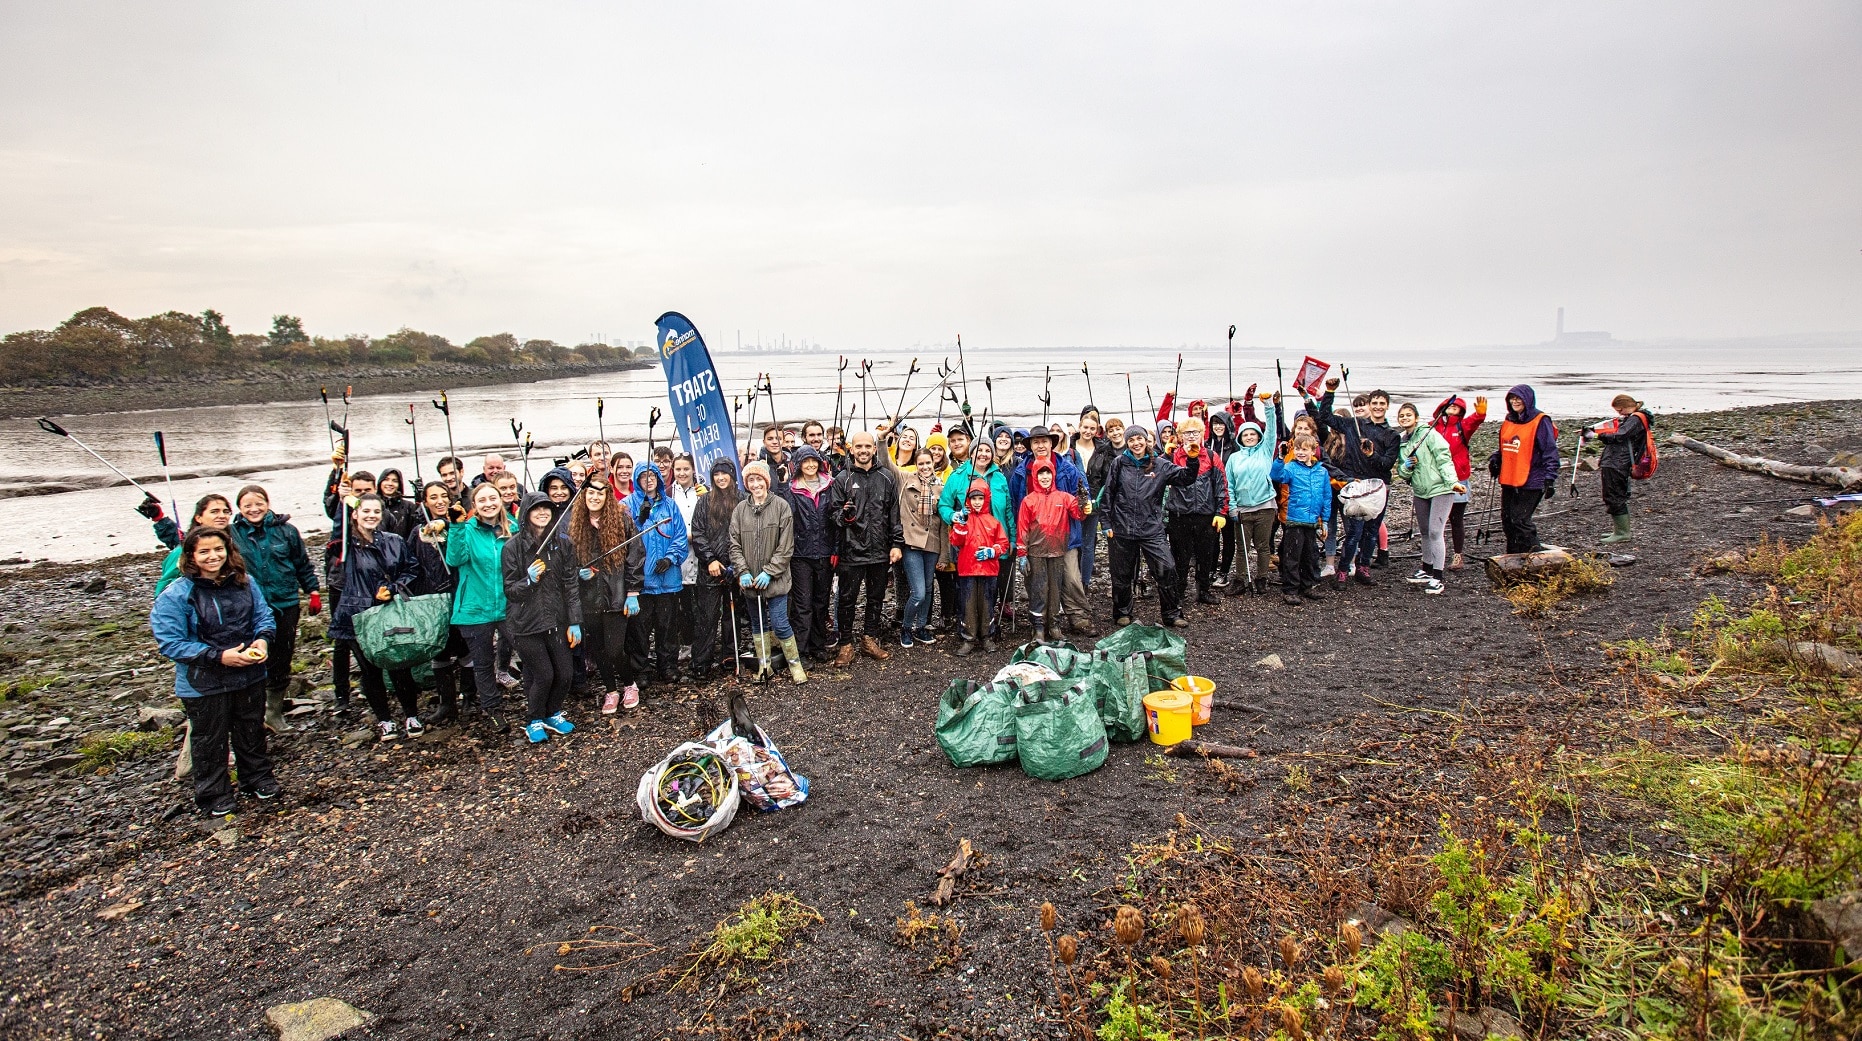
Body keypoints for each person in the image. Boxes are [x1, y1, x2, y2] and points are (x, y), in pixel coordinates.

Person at [150, 526, 280, 816]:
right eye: (204, 551)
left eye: (218, 549)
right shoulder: (176, 595)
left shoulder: (246, 582)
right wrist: (219, 657)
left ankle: (257, 778)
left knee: (251, 730)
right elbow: (171, 643)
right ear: (191, 556)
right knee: (209, 739)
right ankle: (213, 794)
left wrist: (262, 639)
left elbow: (264, 615)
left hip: (249, 672)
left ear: (228, 551)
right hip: (204, 681)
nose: (213, 556)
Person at [327, 494, 424, 741]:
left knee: (399, 665)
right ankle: (384, 719)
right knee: (370, 670)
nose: (371, 516)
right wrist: (341, 499)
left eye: (376, 511)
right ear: (355, 515)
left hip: (390, 611)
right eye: (365, 511)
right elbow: (339, 530)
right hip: (357, 614)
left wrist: (393, 588)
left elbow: (411, 567)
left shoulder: (394, 541)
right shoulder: (345, 545)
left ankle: (411, 715)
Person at [231, 485, 320, 731]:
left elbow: (302, 564)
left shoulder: (287, 532)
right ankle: (250, 712)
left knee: (282, 656)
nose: (253, 509)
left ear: (267, 504)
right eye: (247, 505)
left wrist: (312, 591)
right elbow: (190, 540)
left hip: (285, 602)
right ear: (239, 509)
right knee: (251, 656)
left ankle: (274, 712)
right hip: (249, 607)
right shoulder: (231, 534)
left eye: (258, 503)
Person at [502, 494, 581, 743]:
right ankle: (534, 719)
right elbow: (510, 591)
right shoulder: (512, 548)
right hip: (526, 623)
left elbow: (571, 584)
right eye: (536, 509)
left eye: (547, 509)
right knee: (544, 674)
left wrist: (575, 621)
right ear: (526, 513)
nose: (542, 513)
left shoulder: (563, 544)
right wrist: (529, 580)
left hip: (556, 620)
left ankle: (552, 712)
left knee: (565, 673)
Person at [1101, 427, 1198, 628]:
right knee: (1121, 573)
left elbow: (1186, 478)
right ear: (1127, 443)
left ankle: (1172, 613)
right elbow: (1108, 494)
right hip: (1122, 527)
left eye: (1140, 439)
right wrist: (1106, 523)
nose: (1136, 443)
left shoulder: (1161, 465)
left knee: (1167, 568)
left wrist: (1192, 459)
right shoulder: (1119, 464)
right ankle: (1122, 612)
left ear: (1147, 441)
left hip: (1151, 528)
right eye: (1132, 440)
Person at [826, 432, 904, 666]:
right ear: (852, 449)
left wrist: (896, 544)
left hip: (879, 549)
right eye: (858, 446)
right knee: (847, 599)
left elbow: (894, 514)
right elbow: (833, 514)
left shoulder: (886, 477)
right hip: (852, 549)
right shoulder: (842, 478)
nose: (863, 450)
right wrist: (845, 514)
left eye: (867, 446)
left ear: (873, 449)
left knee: (876, 597)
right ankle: (846, 644)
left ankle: (869, 638)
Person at [569, 473, 643, 712]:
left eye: (600, 492)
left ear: (607, 496)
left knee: (615, 649)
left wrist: (632, 592)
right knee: (598, 649)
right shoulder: (577, 524)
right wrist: (580, 573)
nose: (595, 497)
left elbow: (635, 556)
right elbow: (571, 561)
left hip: (616, 595)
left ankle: (629, 685)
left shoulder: (621, 520)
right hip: (589, 598)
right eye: (590, 492)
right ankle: (610, 690)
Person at [1010, 428, 1094, 636]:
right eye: (1036, 442)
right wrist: (1020, 543)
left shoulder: (1067, 467)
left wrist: (1085, 505)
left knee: (1071, 578)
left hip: (1065, 537)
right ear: (1030, 446)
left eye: (1044, 441)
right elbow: (1014, 504)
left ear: (1052, 443)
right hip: (1035, 539)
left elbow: (1081, 494)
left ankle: (1078, 618)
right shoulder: (1021, 471)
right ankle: (1040, 623)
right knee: (1037, 583)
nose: (1040, 446)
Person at [731, 460, 807, 686]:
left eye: (759, 479)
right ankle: (765, 665)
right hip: (750, 580)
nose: (756, 484)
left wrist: (770, 572)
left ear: (767, 481)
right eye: (751, 480)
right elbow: (734, 543)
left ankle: (795, 664)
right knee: (757, 623)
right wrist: (742, 571)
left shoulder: (781, 506)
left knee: (780, 622)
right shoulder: (740, 510)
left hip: (776, 580)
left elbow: (786, 547)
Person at [444, 482, 513, 729]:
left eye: (492, 498)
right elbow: (455, 559)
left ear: (500, 500)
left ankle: (538, 704)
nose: (488, 504)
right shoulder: (466, 529)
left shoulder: (511, 527)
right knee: (483, 662)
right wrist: (455, 526)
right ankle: (493, 709)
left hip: (508, 605)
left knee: (529, 651)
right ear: (474, 505)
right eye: (482, 500)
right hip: (475, 609)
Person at [937, 438, 1014, 635]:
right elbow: (943, 505)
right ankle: (968, 630)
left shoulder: (999, 477)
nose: (983, 454)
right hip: (968, 543)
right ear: (971, 453)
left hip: (996, 539)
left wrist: (1012, 538)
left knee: (991, 589)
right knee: (967, 591)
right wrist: (953, 516)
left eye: (988, 450)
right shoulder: (958, 476)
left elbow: (1008, 511)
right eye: (979, 450)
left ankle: (988, 629)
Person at [623, 460, 689, 686]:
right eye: (644, 477)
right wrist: (639, 520)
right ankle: (640, 670)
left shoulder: (670, 505)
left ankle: (668, 666)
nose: (648, 480)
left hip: (667, 578)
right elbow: (624, 540)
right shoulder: (627, 505)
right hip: (641, 580)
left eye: (652, 476)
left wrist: (670, 558)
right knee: (639, 630)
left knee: (668, 626)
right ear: (637, 480)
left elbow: (680, 535)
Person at [408, 480, 465, 725]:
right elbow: (412, 565)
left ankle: (471, 696)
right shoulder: (418, 532)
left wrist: (451, 526)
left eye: (444, 496)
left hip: (461, 593)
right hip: (433, 598)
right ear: (425, 502)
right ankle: (447, 703)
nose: (440, 501)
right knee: (440, 650)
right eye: (434, 497)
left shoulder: (460, 525)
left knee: (465, 647)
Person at [1395, 403, 1464, 595]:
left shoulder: (1431, 435)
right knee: (1424, 531)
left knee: (1435, 531)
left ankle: (1438, 577)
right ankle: (1426, 569)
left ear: (1416, 418)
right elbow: (1402, 472)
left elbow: (1444, 458)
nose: (1405, 418)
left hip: (1440, 489)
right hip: (1421, 491)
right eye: (1401, 416)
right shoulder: (1403, 442)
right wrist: (1407, 466)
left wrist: (1453, 483)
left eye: (1409, 415)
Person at [1162, 416, 1230, 609]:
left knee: (1206, 555)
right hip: (1179, 516)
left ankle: (1204, 590)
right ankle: (1180, 590)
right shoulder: (1173, 456)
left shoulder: (1211, 456)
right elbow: (1156, 472)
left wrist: (1221, 512)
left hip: (1205, 515)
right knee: (1180, 557)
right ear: (1180, 436)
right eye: (1187, 433)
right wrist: (1165, 455)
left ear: (1202, 434)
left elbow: (1222, 486)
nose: (1191, 436)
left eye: (1195, 432)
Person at [687, 458, 742, 683]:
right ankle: (701, 662)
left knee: (733, 615)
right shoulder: (704, 502)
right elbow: (698, 533)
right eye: (716, 474)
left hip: (735, 566)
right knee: (707, 617)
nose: (721, 478)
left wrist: (737, 564)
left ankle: (730, 655)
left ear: (731, 475)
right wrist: (710, 559)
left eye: (725, 474)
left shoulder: (742, 500)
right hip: (710, 569)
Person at [780, 446, 836, 663]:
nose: (811, 465)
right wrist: (784, 484)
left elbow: (834, 518)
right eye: (806, 461)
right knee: (802, 604)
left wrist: (835, 549)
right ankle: (800, 651)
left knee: (821, 602)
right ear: (799, 464)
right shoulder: (792, 488)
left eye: (814, 461)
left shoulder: (829, 485)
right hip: (801, 555)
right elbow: (787, 513)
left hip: (824, 553)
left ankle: (818, 645)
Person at [1494, 384, 1561, 554]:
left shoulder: (1540, 421)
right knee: (1507, 520)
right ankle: (1514, 556)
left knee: (1521, 520)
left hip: (1533, 478)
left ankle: (1536, 557)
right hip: (1510, 477)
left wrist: (1550, 478)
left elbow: (1549, 450)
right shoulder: (1509, 420)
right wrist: (1495, 460)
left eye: (1519, 398)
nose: (1515, 401)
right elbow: (1504, 447)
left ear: (1528, 399)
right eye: (1512, 398)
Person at [1224, 395, 1279, 596]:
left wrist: (1269, 407)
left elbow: (1272, 430)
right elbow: (1229, 484)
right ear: (1240, 437)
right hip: (1242, 509)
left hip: (1265, 506)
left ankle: (1262, 578)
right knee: (1242, 548)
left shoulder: (1265, 452)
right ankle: (1240, 579)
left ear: (1258, 436)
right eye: (1245, 434)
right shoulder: (1234, 458)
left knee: (1263, 546)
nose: (1249, 437)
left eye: (1252, 434)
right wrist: (1232, 508)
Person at [948, 478, 1009, 656]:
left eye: (980, 498)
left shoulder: (993, 522)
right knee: (968, 603)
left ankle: (987, 636)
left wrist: (992, 551)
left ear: (986, 499)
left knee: (987, 602)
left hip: (988, 570)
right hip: (967, 569)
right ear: (968, 500)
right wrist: (959, 524)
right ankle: (968, 637)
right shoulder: (963, 520)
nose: (977, 502)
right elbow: (955, 541)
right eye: (973, 498)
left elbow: (1003, 544)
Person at [1271, 436, 1332, 605]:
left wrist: (1324, 521)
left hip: (1313, 521)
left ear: (1313, 451)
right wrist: (1280, 458)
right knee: (1292, 556)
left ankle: (1308, 585)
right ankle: (1290, 589)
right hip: (1295, 519)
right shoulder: (1290, 468)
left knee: (1310, 555)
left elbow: (1326, 497)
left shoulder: (1322, 471)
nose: (1300, 452)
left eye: (1304, 449)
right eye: (1297, 449)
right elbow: (1276, 476)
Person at [1430, 394, 1488, 570]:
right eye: (1450, 406)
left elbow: (1475, 421)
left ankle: (1457, 555)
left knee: (1456, 519)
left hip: (1458, 477)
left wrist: (1480, 413)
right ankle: (1433, 557)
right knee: (1436, 520)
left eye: (1457, 408)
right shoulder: (1433, 427)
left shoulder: (1462, 426)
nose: (1453, 409)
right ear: (1443, 408)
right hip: (1436, 479)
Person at [893, 450, 944, 647]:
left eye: (928, 463)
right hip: (912, 542)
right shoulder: (906, 478)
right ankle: (906, 628)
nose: (925, 467)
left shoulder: (941, 486)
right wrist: (882, 440)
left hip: (932, 543)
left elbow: (943, 521)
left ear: (933, 463)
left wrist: (945, 555)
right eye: (921, 463)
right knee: (919, 592)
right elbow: (888, 464)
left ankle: (920, 627)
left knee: (929, 590)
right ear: (916, 464)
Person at [1589, 394, 1650, 545]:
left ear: (1626, 406)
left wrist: (1596, 435)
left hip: (1619, 461)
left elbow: (1620, 435)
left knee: (1614, 494)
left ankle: (1623, 532)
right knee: (1612, 493)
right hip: (1616, 460)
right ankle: (1619, 530)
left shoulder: (1636, 419)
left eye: (1620, 409)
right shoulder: (1634, 418)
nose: (1619, 413)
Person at [1205, 412, 1239, 586]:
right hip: (1209, 496)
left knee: (1228, 536)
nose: (1218, 427)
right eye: (1215, 424)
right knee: (1212, 535)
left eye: (1221, 424)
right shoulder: (1205, 445)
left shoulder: (1234, 446)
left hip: (1228, 494)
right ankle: (1211, 568)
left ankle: (1224, 571)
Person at [377, 469, 419, 540]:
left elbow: (416, 530)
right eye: (386, 479)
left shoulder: (409, 506)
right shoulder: (373, 505)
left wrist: (420, 500)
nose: (390, 483)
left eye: (395, 481)